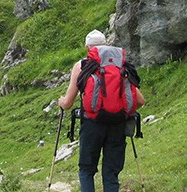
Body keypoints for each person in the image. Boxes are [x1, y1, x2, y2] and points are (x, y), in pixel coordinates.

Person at [58, 30, 145, 192]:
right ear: (106, 45)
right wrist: (120, 112)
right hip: (118, 125)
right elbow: (140, 101)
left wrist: (61, 102)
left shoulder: (82, 66)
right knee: (111, 173)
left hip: (92, 124)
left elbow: (68, 103)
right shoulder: (120, 66)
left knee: (86, 170)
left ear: (87, 48)